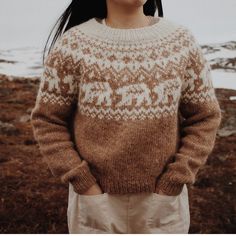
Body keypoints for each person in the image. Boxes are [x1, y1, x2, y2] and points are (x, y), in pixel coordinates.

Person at [30, 0, 222, 234]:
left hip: (163, 202)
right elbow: (48, 121)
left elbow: (205, 117)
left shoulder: (180, 42)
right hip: (94, 201)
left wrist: (176, 178)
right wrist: (83, 182)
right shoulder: (74, 45)